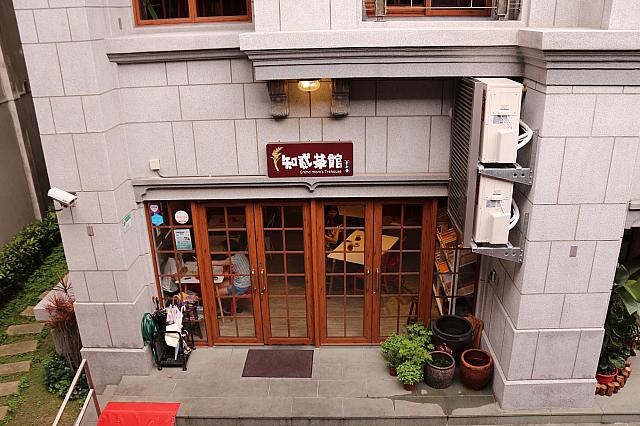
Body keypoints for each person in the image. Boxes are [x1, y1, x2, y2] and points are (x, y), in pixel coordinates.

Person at [211, 239, 251, 314]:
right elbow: (227, 266)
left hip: (240, 286)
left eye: (224, 249)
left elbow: (218, 262)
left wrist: (203, 261)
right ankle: (231, 304)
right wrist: (226, 270)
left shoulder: (234, 259)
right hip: (245, 283)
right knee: (218, 285)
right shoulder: (240, 254)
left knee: (215, 293)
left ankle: (222, 310)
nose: (223, 251)